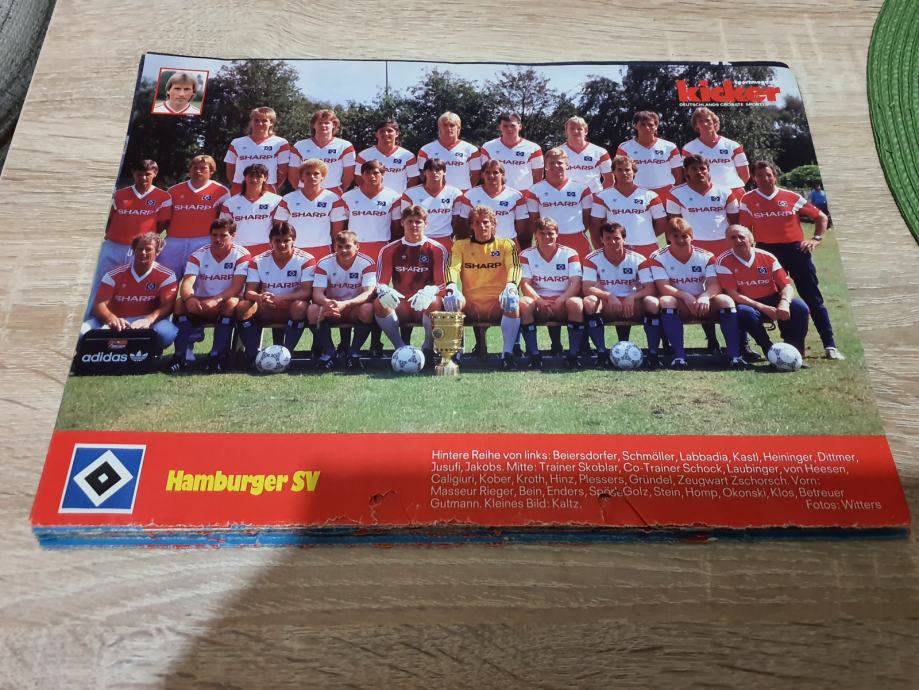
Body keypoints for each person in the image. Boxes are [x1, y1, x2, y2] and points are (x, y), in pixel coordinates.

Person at [739, 161, 844, 359]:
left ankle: (830, 345)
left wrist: (816, 239)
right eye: (760, 175)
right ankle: (789, 343)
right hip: (766, 252)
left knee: (812, 297)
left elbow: (821, 217)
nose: (765, 179)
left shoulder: (791, 197)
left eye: (768, 175)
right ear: (753, 178)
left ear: (775, 176)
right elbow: (744, 231)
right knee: (776, 297)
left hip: (796, 251)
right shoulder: (748, 199)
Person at [644, 218, 746, 369]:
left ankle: (734, 356)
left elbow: (714, 284)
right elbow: (663, 287)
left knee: (726, 301)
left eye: (684, 236)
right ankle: (679, 356)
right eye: (675, 236)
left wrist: (705, 296)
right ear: (668, 237)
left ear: (691, 236)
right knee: (666, 300)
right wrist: (685, 295)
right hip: (679, 302)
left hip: (702, 302)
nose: (680, 240)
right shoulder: (657, 256)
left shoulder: (706, 256)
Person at [87, 159, 172, 314]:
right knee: (101, 283)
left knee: (133, 286)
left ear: (155, 174)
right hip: (113, 246)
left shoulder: (163, 197)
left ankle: (132, 321)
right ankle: (91, 320)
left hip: (140, 250)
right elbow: (110, 219)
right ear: (133, 173)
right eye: (139, 174)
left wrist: (143, 241)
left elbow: (161, 225)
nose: (143, 178)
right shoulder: (119, 194)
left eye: (148, 174)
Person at [167, 218, 251, 372]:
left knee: (231, 302)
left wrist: (216, 299)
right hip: (202, 302)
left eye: (223, 235)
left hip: (225, 301)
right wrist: (189, 298)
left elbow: (237, 287)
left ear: (233, 236)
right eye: (214, 235)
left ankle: (217, 355)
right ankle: (181, 356)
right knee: (180, 303)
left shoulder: (242, 255)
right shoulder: (198, 255)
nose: (218, 239)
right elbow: (187, 283)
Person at [444, 206, 522, 369]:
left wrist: (511, 285)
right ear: (471, 225)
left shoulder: (506, 244)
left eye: (486, 222)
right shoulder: (460, 245)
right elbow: (452, 267)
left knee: (512, 302)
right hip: (471, 304)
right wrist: (451, 286)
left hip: (497, 303)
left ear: (493, 224)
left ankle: (507, 355)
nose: (482, 226)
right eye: (477, 222)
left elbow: (514, 266)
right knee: (452, 301)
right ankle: (455, 354)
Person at [716, 225, 810, 360]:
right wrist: (762, 307)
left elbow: (786, 286)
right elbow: (733, 294)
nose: (738, 240)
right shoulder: (723, 261)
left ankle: (794, 352)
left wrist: (784, 302)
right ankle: (769, 349)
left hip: (772, 298)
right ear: (727, 241)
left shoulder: (767, 257)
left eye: (741, 237)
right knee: (744, 312)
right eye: (733, 238)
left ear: (751, 239)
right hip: (747, 303)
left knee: (799, 307)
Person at [373, 206, 448, 363]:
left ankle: (428, 347)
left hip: (424, 304)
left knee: (436, 302)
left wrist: (431, 291)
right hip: (402, 304)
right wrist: (383, 289)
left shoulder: (437, 249)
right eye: (410, 221)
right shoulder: (389, 249)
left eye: (418, 222)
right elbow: (380, 282)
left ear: (426, 224)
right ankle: (400, 347)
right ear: (402, 222)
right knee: (379, 303)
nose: (414, 225)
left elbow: (442, 285)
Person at [234, 222, 315, 368]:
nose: (282, 244)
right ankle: (253, 355)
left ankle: (285, 355)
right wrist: (260, 297)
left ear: (293, 240)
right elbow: (249, 292)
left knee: (300, 306)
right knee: (243, 306)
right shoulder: (258, 260)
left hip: (290, 307)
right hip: (266, 307)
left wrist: (281, 298)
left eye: (286, 240)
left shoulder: (306, 259)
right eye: (277, 240)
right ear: (271, 241)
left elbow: (306, 292)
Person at [81, 232, 178, 349]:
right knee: (82, 332)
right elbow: (99, 305)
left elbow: (167, 307)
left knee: (167, 332)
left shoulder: (167, 276)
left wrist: (148, 320)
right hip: (117, 320)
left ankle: (148, 353)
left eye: (148, 249)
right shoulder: (113, 275)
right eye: (140, 249)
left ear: (157, 252)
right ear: (133, 250)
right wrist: (111, 319)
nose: (143, 252)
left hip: (146, 322)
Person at [581, 222, 657, 366]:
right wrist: (608, 296)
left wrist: (632, 296)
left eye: (616, 238)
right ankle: (602, 353)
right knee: (589, 301)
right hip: (608, 305)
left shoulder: (638, 259)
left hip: (632, 305)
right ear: (601, 239)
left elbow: (650, 288)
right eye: (608, 238)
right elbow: (586, 288)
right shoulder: (592, 259)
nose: (612, 242)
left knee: (653, 303)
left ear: (624, 239)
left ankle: (653, 354)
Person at [518, 218, 585, 368]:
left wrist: (561, 300)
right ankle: (534, 355)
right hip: (539, 303)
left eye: (550, 233)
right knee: (524, 303)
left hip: (563, 301)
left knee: (576, 303)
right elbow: (525, 284)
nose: (546, 237)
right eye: (542, 233)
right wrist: (540, 301)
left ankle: (573, 355)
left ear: (557, 234)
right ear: (535, 235)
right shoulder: (526, 255)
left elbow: (576, 283)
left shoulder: (570, 253)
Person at [308, 230, 377, 370]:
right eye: (339, 246)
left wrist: (345, 304)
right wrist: (328, 303)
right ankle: (330, 353)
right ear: (334, 247)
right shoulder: (324, 263)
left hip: (353, 308)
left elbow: (368, 293)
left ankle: (354, 353)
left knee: (368, 308)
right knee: (312, 310)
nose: (343, 250)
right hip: (332, 308)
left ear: (357, 246)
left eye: (348, 246)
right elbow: (317, 294)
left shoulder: (367, 262)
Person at [161, 155, 229, 276]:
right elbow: (164, 219)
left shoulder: (221, 191)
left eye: (203, 168)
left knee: (198, 280)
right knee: (167, 278)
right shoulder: (173, 191)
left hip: (203, 241)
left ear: (211, 171)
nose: (198, 171)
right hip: (173, 242)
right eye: (195, 167)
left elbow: (224, 221)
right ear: (190, 170)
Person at [590, 154, 668, 257]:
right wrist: (601, 249)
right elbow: (595, 225)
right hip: (616, 248)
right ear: (613, 172)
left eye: (627, 170)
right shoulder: (602, 196)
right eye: (619, 170)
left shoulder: (651, 195)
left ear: (634, 171)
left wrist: (645, 235)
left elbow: (662, 223)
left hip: (647, 247)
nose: (624, 173)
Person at [666, 153, 740, 255]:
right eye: (694, 169)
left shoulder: (725, 192)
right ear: (686, 171)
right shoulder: (675, 194)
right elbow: (676, 225)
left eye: (702, 168)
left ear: (708, 170)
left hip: (724, 242)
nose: (699, 172)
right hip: (693, 245)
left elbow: (735, 222)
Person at [525, 147, 593, 258]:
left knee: (582, 269)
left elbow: (587, 218)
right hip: (547, 240)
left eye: (560, 163)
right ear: (545, 166)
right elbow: (534, 221)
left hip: (577, 239)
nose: (556, 166)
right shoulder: (534, 190)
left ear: (567, 165)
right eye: (551, 163)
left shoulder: (582, 188)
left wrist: (573, 230)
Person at [274, 158, 346, 259]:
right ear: (301, 177)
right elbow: (279, 228)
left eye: (316, 173)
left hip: (323, 248)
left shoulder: (333, 198)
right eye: (308, 173)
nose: (312, 176)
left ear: (322, 176)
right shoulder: (288, 199)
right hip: (294, 249)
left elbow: (337, 231)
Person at [457, 159, 529, 247]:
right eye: (487, 172)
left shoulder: (516, 196)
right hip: (479, 245)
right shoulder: (470, 195)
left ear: (502, 174)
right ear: (482, 174)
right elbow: (464, 224)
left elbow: (521, 227)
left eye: (495, 172)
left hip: (507, 244)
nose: (491, 175)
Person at [341, 159, 403, 260]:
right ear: (362, 175)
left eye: (375, 173)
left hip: (382, 246)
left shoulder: (394, 197)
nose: (372, 176)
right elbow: (343, 224)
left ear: (383, 174)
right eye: (368, 173)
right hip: (353, 245)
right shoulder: (347, 197)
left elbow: (396, 226)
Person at [218, 163, 282, 256]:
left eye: (259, 176)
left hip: (266, 248)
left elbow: (280, 228)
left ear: (265, 178)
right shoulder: (230, 203)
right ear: (245, 177)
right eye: (251, 176)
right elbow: (223, 229)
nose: (254, 180)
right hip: (238, 249)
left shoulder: (276, 201)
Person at [616, 111, 683, 199]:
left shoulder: (670, 147)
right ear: (635, 125)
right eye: (642, 124)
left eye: (651, 125)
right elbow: (619, 173)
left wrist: (675, 192)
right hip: (637, 193)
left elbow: (678, 173)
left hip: (666, 193)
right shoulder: (625, 148)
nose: (647, 128)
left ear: (656, 127)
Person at [682, 107, 749, 195]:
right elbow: (687, 175)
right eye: (700, 121)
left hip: (734, 191)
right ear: (696, 125)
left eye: (708, 120)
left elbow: (745, 175)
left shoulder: (733, 145)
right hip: (706, 194)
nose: (705, 124)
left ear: (714, 123)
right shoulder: (689, 148)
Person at [401, 158, 463, 253]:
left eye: (438, 170)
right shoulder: (409, 194)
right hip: (419, 240)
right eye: (430, 170)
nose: (434, 173)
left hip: (444, 239)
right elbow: (405, 220)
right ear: (424, 173)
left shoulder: (455, 193)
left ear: (444, 172)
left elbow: (456, 219)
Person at [287, 109, 355, 194]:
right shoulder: (299, 146)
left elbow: (349, 175)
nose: (323, 125)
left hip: (333, 193)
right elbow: (292, 175)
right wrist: (301, 191)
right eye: (319, 123)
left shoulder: (345, 146)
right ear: (313, 125)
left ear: (334, 125)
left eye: (327, 123)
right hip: (305, 192)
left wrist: (340, 191)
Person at [224, 107, 289, 195]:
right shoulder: (236, 143)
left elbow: (283, 171)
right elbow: (230, 170)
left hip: (267, 189)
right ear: (251, 122)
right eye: (256, 120)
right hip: (239, 189)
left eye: (264, 121)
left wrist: (272, 187)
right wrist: (242, 187)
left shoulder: (281, 143)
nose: (260, 123)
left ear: (271, 123)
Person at [416, 112, 481, 191]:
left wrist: (464, 191)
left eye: (452, 125)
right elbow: (422, 174)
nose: (448, 128)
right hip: (436, 195)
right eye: (445, 125)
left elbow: (476, 174)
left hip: (462, 195)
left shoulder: (471, 150)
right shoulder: (425, 150)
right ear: (439, 127)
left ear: (458, 128)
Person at [479, 111, 544, 191]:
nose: (509, 129)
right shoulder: (488, 147)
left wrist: (532, 193)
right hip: (496, 193)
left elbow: (538, 176)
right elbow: (484, 174)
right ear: (499, 127)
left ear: (520, 126)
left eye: (512, 125)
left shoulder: (534, 148)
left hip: (524, 194)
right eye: (505, 126)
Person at [353, 119, 418, 193]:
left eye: (390, 131)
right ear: (376, 134)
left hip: (398, 198)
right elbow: (358, 177)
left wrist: (404, 195)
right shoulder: (364, 155)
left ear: (397, 133)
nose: (386, 134)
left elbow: (413, 178)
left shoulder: (408, 156)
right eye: (382, 131)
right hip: (372, 197)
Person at [559, 116, 613, 193]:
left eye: (579, 129)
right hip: (566, 198)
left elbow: (610, 180)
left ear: (586, 131)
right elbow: (551, 180)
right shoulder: (557, 153)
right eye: (572, 128)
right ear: (566, 131)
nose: (575, 131)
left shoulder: (601, 152)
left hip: (593, 198)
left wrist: (599, 196)